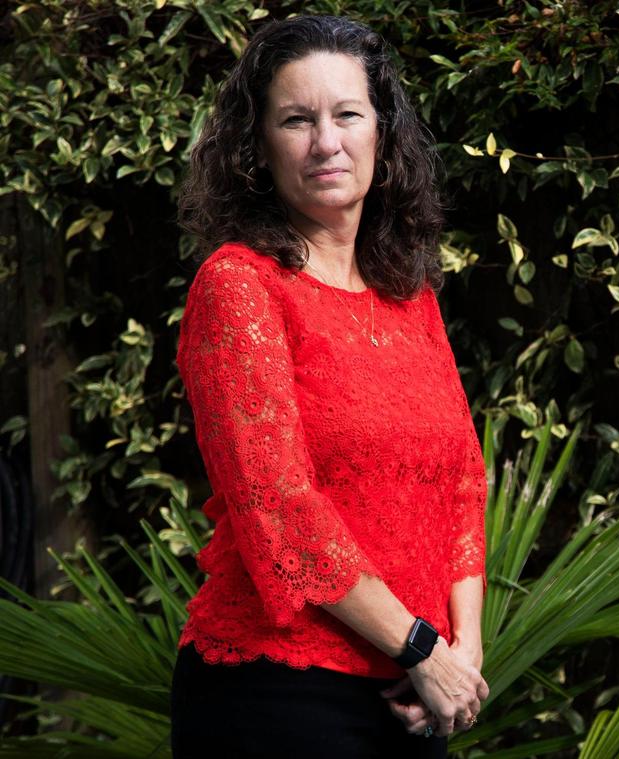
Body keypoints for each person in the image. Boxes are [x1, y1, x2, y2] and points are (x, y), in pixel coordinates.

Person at [170, 15, 488, 758]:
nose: (326, 142)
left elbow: (463, 484)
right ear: (258, 147)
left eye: (347, 114)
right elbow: (276, 503)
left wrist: (461, 652)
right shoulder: (240, 286)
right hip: (277, 690)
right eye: (296, 120)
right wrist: (419, 646)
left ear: (383, 132)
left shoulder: (408, 295)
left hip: (419, 693)